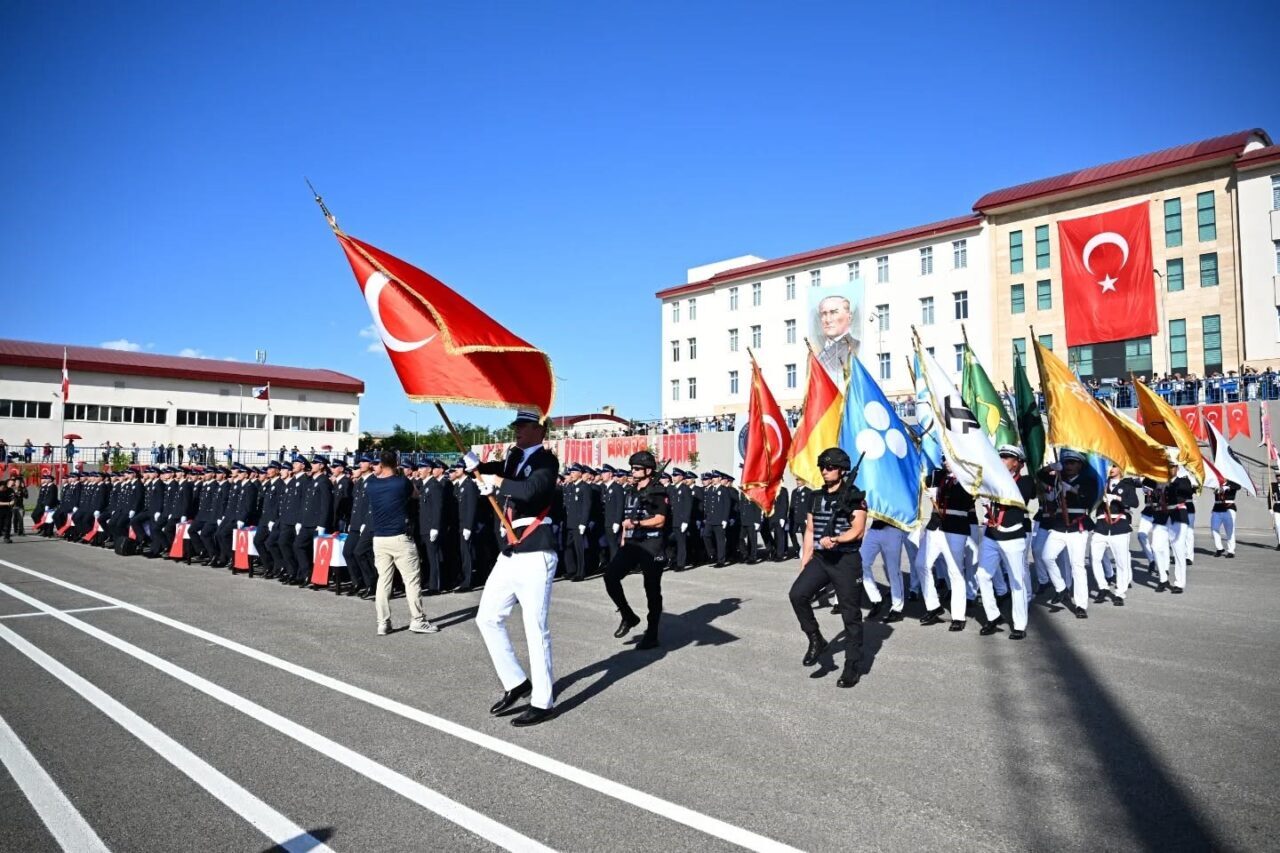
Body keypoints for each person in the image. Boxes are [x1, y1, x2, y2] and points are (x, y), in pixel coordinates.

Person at [467, 411, 561, 728]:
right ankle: (517, 683)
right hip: (511, 551)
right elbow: (481, 473)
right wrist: (473, 464)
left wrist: (497, 482)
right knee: (487, 618)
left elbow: (531, 491)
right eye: (516, 426)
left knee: (535, 628)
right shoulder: (513, 459)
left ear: (539, 429)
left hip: (535, 550)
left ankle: (543, 701)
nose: (517, 431)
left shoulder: (546, 462)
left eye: (523, 426)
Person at [787, 447, 867, 689]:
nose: (825, 471)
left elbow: (858, 529)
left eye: (830, 467)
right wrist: (805, 561)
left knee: (850, 615)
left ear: (842, 470)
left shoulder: (854, 495)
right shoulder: (815, 497)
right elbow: (810, 530)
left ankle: (852, 666)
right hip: (821, 559)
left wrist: (838, 539)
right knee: (797, 594)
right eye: (822, 466)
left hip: (845, 560)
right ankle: (816, 639)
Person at [364, 449, 439, 636]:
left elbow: (375, 477)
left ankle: (382, 622)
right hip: (400, 538)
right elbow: (415, 494)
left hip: (379, 538)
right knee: (412, 580)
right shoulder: (401, 482)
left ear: (380, 465)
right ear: (396, 465)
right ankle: (418, 620)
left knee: (383, 581)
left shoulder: (371, 484)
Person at [603, 451, 670, 650]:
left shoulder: (658, 491)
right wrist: (624, 538)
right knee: (610, 577)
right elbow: (626, 519)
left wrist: (637, 523)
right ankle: (628, 615)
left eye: (637, 468)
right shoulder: (630, 490)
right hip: (632, 545)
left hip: (651, 546)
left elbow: (660, 520)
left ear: (649, 470)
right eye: (632, 468)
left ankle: (652, 633)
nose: (633, 471)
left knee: (652, 590)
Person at [975, 445, 1037, 639]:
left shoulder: (1025, 482)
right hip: (992, 534)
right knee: (982, 575)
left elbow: (1017, 495)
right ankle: (993, 617)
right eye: (1000, 456)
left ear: (1017, 463)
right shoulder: (992, 479)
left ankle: (1019, 625)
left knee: (1016, 581)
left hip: (1013, 536)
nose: (1002, 459)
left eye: (1007, 457)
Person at [1089, 467, 1139, 605]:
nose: (1111, 469)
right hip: (1101, 526)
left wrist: (1117, 498)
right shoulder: (1101, 483)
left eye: (1114, 466)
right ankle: (1102, 587)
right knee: (1095, 558)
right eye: (1109, 466)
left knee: (1121, 562)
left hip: (1119, 527)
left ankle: (1120, 593)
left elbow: (1134, 503)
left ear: (1120, 468)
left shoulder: (1127, 484)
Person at [815, 295, 858, 382]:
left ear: (849, 317)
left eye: (833, 312)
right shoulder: (820, 354)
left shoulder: (856, 346)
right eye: (824, 314)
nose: (828, 320)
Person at [1210, 481, 1240, 558]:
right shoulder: (1216, 482)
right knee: (1214, 528)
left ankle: (1231, 551)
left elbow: (1238, 486)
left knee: (1230, 530)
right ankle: (1219, 548)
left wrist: (1228, 487)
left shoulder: (1232, 482)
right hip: (1217, 507)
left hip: (1229, 508)